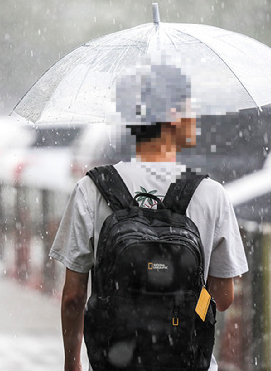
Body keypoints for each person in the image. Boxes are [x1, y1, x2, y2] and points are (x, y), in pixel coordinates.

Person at [49, 62, 249, 371]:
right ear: (171, 115)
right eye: (188, 107)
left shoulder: (91, 189)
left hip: (116, 361)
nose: (194, 116)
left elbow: (73, 297)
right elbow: (223, 298)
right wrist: (186, 303)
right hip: (187, 362)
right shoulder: (211, 195)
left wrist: (71, 364)